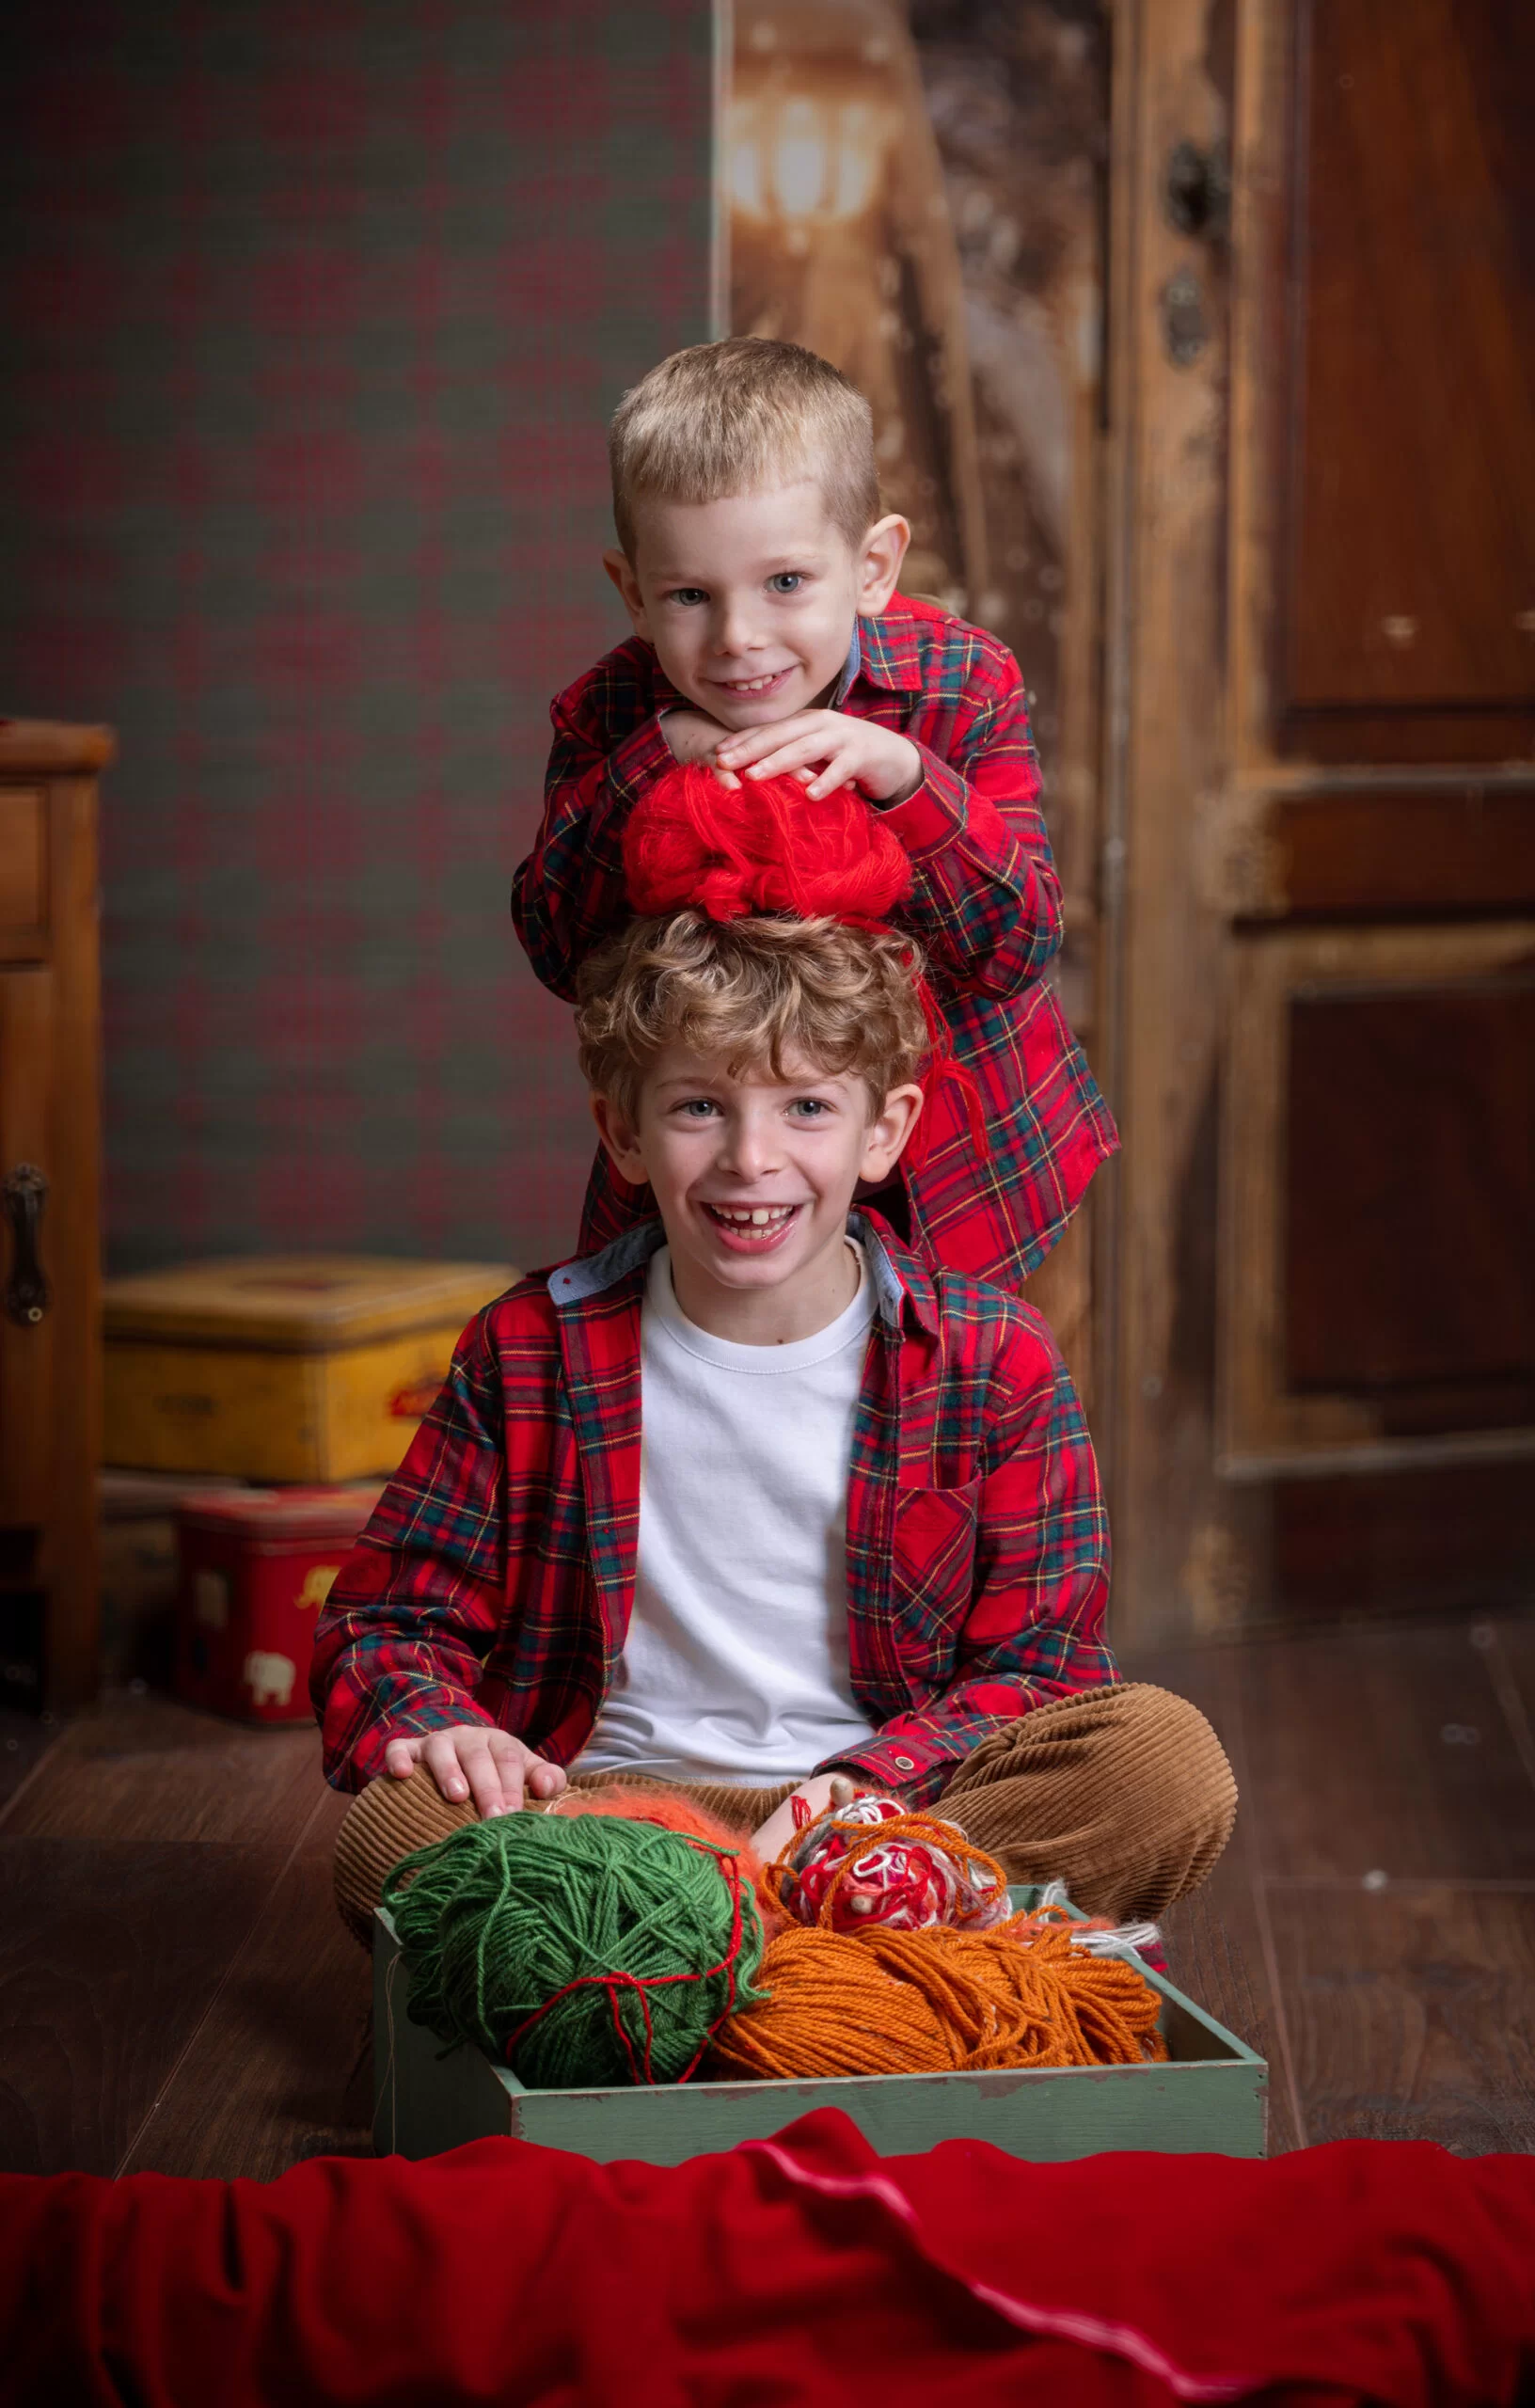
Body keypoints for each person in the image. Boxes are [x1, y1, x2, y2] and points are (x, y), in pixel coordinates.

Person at [315, 770, 1231, 1945]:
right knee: (392, 1830)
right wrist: (447, 1725)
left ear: (884, 1130)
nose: (752, 1160)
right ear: (624, 1132)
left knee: (1163, 1759)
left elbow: (1046, 1666)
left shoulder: (991, 1357)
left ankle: (692, 1962)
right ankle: (843, 1958)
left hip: (885, 1807)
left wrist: (852, 1795)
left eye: (805, 1109)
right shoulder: (529, 1347)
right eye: (699, 1107)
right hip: (608, 1814)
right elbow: (380, 1624)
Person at [513, 334, 1117, 1291]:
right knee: (713, 1401)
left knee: (941, 1400)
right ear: (632, 593)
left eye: (785, 583)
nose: (738, 639)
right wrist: (648, 766)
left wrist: (906, 780)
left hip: (967, 1169)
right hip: (732, 1157)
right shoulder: (613, 715)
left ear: (873, 566)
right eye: (688, 596)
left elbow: (1017, 946)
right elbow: (556, 948)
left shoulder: (957, 685)